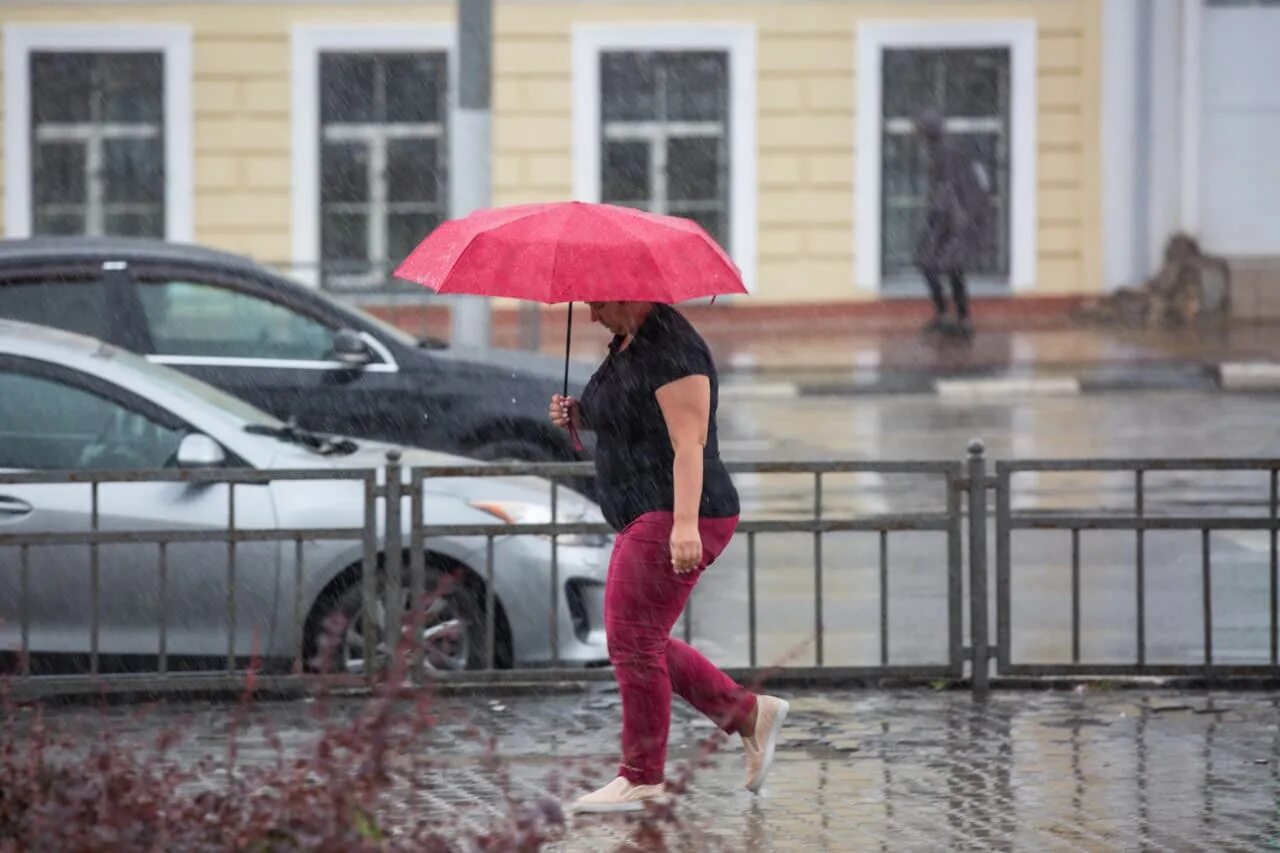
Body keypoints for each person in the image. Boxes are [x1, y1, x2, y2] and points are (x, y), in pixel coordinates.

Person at [549, 300, 789, 814]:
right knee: (638, 639)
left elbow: (688, 444)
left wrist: (683, 525)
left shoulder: (675, 350)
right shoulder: (629, 344)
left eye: (597, 303)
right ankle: (748, 714)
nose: (591, 315)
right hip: (647, 509)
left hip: (680, 510)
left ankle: (642, 777)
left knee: (633, 642)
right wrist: (580, 413)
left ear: (627, 293)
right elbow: (631, 412)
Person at [914, 111, 993, 340]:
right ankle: (955, 317)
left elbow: (949, 187)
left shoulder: (945, 151)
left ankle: (955, 317)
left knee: (939, 266)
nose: (919, 134)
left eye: (921, 129)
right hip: (948, 218)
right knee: (945, 268)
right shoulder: (942, 149)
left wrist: (944, 215)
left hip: (950, 221)